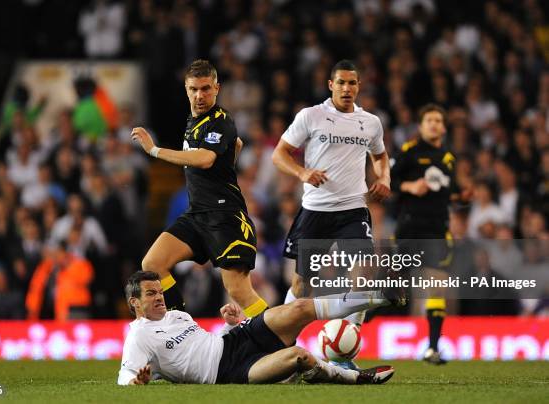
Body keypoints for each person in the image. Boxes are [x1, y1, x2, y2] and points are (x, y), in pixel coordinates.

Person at [271, 59, 392, 368]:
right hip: (316, 212)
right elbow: (279, 153)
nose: (346, 88)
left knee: (363, 275)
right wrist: (302, 173)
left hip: (353, 209)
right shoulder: (311, 116)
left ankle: (344, 352)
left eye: (352, 83)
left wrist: (384, 178)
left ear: (359, 86)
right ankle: (278, 346)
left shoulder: (370, 122)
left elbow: (380, 155)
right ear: (330, 85)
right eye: (341, 82)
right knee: (301, 286)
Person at [130, 59, 268, 318]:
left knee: (238, 289)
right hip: (197, 215)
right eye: (194, 89)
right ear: (186, 89)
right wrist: (227, 164)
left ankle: (282, 345)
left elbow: (205, 159)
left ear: (217, 88)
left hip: (224, 217)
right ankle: (180, 327)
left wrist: (154, 150)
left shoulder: (221, 120)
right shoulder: (194, 122)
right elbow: (236, 144)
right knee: (153, 263)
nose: (199, 95)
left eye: (205, 88)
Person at [118, 270, 399, 385]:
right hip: (228, 372)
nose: (159, 297)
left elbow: (204, 346)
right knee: (298, 355)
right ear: (135, 302)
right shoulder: (139, 336)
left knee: (299, 308)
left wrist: (229, 325)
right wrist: (136, 383)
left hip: (236, 339)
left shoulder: (178, 316)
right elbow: (125, 378)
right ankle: (355, 379)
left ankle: (380, 296)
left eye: (160, 291)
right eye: (151, 294)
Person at [391, 103, 468, 365]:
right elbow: (387, 181)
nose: (434, 124)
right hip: (410, 229)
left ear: (444, 127)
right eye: (429, 120)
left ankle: (432, 348)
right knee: (392, 287)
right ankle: (355, 330)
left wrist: (461, 195)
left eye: (438, 120)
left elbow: (448, 190)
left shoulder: (448, 158)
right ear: (421, 126)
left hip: (437, 229)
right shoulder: (409, 152)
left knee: (437, 285)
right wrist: (410, 186)